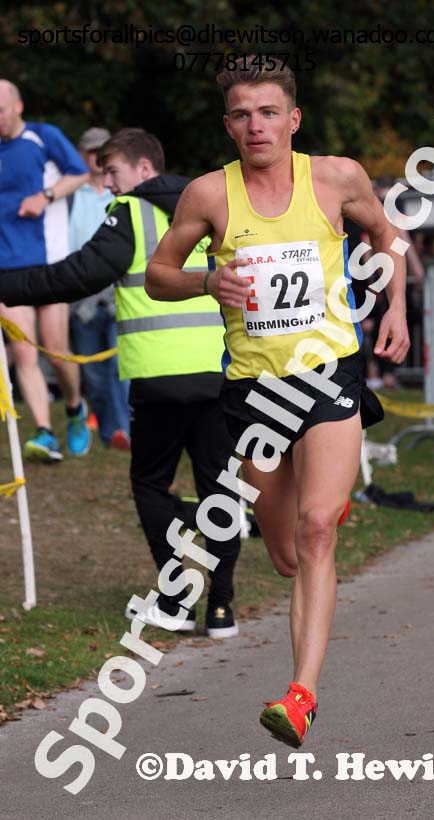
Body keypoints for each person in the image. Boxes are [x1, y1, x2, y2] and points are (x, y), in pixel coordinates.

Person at [145, 57, 409, 747]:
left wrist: (395, 310)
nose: (255, 125)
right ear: (227, 124)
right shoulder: (208, 195)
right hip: (253, 393)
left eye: (268, 112)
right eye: (241, 113)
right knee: (289, 553)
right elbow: (157, 275)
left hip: (328, 376)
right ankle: (321, 501)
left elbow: (386, 239)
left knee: (318, 530)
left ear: (292, 119)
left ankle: (300, 696)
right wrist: (207, 282)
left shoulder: (335, 178)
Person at [0, 128, 241, 638]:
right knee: (219, 488)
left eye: (112, 172)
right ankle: (222, 608)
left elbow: (73, 276)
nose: (107, 184)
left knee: (150, 484)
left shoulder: (131, 213)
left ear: (143, 170)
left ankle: (176, 603)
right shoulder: (216, 207)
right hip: (222, 370)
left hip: (159, 375)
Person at [0, 79, 90, 461]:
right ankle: (44, 431)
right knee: (24, 354)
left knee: (56, 352)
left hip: (50, 263)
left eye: (0, 111)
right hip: (7, 266)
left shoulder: (43, 137)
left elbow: (81, 173)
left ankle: (74, 408)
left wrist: (46, 196)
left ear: (18, 105)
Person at [68, 126, 130, 450]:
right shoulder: (69, 195)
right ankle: (109, 430)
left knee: (122, 365)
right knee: (92, 369)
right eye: (90, 151)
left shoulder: (121, 190)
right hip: (82, 294)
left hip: (118, 287)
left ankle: (123, 430)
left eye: (101, 152)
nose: (96, 158)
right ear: (81, 155)